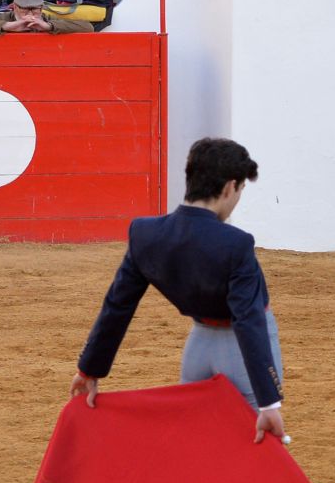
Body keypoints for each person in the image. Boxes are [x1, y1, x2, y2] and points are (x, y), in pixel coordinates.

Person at [75, 137, 286, 437]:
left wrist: (90, 369)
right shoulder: (237, 244)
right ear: (229, 187)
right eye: (240, 190)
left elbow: (118, 306)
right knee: (257, 455)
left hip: (197, 351)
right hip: (241, 355)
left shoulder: (145, 234)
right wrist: (268, 402)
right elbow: (248, 320)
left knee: (197, 445)